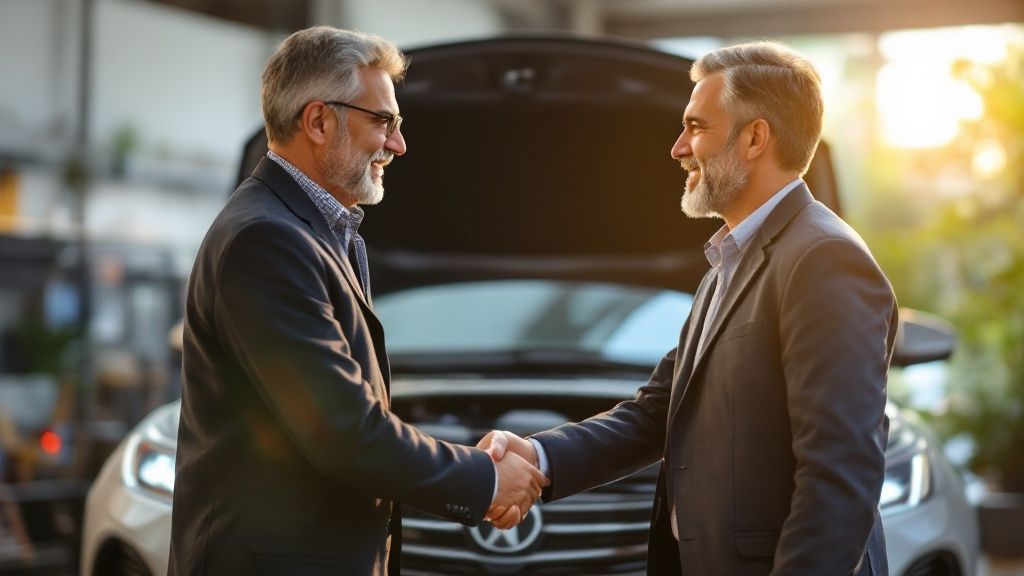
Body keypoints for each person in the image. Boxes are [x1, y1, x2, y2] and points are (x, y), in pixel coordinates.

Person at [480, 40, 897, 575]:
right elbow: (656, 413)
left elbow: (840, 474)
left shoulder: (824, 260)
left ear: (754, 137)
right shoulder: (732, 258)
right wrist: (539, 456)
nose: (679, 148)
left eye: (697, 127)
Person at [168, 26, 546, 576]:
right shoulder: (266, 240)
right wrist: (483, 478)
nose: (398, 143)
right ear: (318, 121)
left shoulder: (311, 231)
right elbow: (343, 429)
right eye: (383, 121)